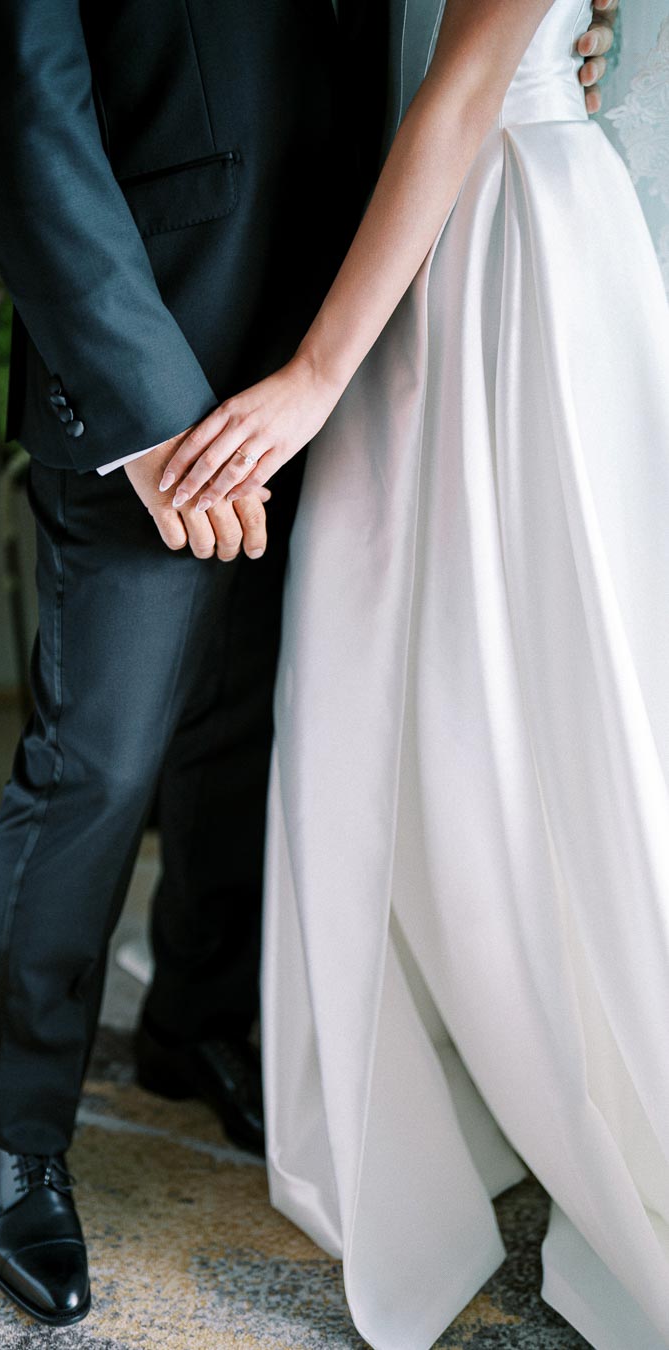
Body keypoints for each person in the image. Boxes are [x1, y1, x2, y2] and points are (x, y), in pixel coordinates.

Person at [0, 0, 617, 1330]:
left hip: (365, 325)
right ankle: (17, 1134)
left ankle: (199, 1015)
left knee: (259, 717)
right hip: (152, 354)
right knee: (95, 767)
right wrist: (145, 411)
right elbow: (15, 93)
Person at [163, 0, 669, 1345]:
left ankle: (534, 1017)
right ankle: (474, 1014)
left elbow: (459, 93)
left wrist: (314, 380)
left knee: (511, 683)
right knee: (422, 661)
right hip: (461, 220)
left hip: (503, 234)